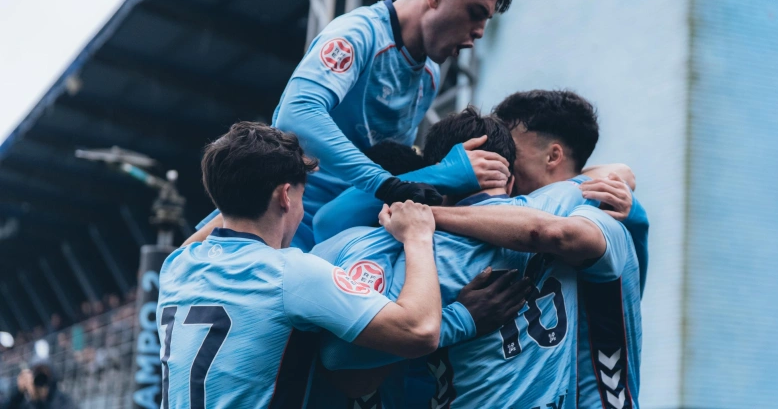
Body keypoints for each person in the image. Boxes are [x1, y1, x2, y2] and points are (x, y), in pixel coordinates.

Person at [191, 0, 515, 250]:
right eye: (475, 13)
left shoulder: (429, 74)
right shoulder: (357, 35)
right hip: (282, 223)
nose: (479, 34)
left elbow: (392, 168)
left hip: (343, 230)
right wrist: (393, 182)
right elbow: (297, 113)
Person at [314, 107, 627, 408]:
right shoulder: (564, 205)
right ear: (511, 179)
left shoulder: (422, 256)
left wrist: (458, 317)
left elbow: (343, 360)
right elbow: (611, 177)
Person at [157, 122, 442, 408]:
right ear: (285, 197)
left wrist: (240, 178)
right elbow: (420, 332)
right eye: (301, 197)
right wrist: (417, 237)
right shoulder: (291, 274)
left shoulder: (176, 266)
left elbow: (203, 232)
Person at [431, 90, 648, 408]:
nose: (498, 162)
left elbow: (548, 231)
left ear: (553, 156)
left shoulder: (598, 215)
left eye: (509, 152)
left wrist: (428, 215)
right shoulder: (522, 221)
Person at [2, 361, 76, 409]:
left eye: (44, 376)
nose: (41, 381)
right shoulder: (25, 402)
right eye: (38, 375)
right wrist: (18, 393)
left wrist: (38, 401)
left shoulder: (64, 401)